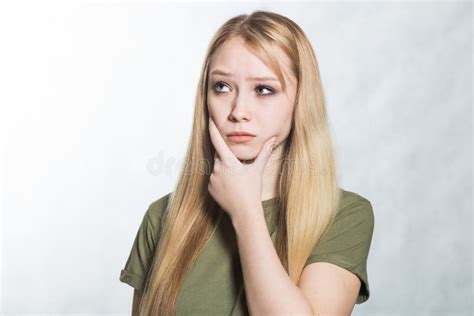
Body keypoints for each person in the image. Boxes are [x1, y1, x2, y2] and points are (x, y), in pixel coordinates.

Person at [119, 10, 374, 316]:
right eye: (222, 87)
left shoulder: (344, 216)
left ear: (300, 101)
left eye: (263, 89)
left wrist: (246, 211)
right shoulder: (163, 218)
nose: (239, 110)